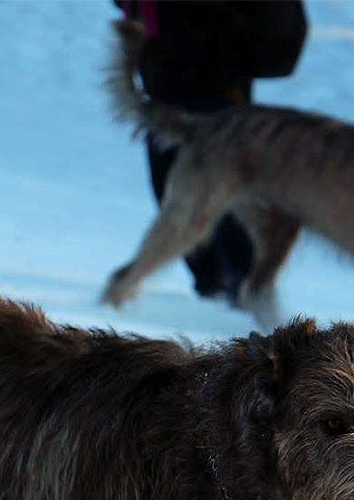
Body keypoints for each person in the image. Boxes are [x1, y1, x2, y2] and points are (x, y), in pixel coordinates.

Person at [115, 0, 307, 305]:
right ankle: (212, 285)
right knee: (170, 190)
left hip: (219, 90)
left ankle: (240, 289)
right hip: (163, 81)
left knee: (223, 196)